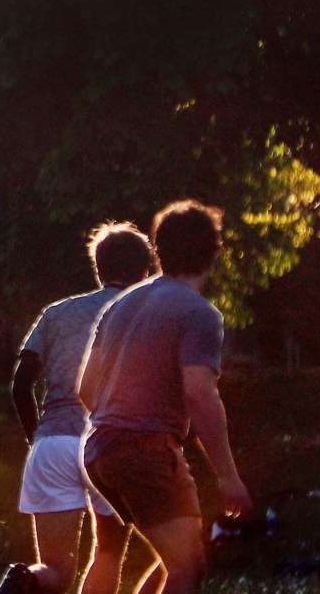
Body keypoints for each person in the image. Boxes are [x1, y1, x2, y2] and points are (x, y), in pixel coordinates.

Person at [78, 202, 252, 594]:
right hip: (142, 449)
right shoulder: (198, 314)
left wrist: (121, 421)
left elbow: (85, 387)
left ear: (158, 250)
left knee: (176, 560)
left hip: (98, 449)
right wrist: (227, 476)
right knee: (187, 568)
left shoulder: (121, 305)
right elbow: (200, 395)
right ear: (213, 251)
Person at [0, 224, 157, 594]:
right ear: (145, 273)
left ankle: (21, 581)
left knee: (55, 571)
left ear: (98, 269)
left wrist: (38, 437)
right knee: (109, 551)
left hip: (53, 444)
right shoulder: (144, 314)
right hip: (107, 446)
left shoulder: (57, 313)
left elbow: (21, 383)